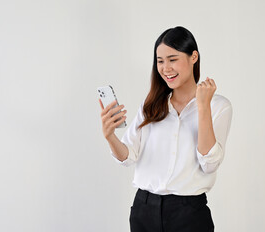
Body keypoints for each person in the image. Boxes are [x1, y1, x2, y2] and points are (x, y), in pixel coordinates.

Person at [98, 26, 232, 232]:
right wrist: (110, 137)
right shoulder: (151, 105)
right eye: (160, 61)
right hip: (144, 210)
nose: (165, 68)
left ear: (193, 56)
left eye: (172, 59)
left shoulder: (218, 106)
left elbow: (209, 163)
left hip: (188, 213)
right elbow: (128, 156)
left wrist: (203, 107)